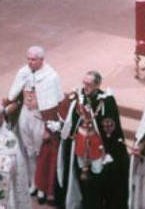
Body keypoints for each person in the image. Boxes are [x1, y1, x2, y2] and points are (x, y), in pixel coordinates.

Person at [57, 70, 127, 209]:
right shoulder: (79, 97)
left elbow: (111, 127)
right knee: (81, 179)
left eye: (89, 84)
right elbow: (72, 120)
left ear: (97, 85)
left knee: (96, 180)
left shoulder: (106, 101)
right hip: (80, 147)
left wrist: (109, 150)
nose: (85, 87)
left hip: (97, 149)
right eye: (84, 83)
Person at [4, 46, 64, 206]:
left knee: (40, 153)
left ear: (41, 60)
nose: (29, 62)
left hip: (40, 117)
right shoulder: (23, 72)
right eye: (28, 59)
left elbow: (56, 101)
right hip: (25, 113)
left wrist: (48, 125)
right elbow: (14, 94)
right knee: (28, 151)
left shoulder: (51, 76)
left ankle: (42, 186)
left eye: (33, 59)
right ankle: (32, 183)